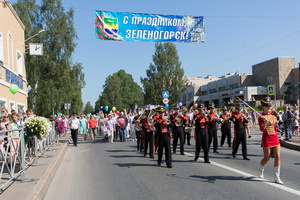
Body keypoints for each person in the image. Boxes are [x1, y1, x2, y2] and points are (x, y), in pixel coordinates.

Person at [258, 97, 283, 184]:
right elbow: (262, 129)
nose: (268, 107)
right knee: (267, 157)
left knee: (278, 156)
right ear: (263, 107)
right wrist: (265, 122)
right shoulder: (261, 117)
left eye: (269, 106)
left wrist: (277, 116)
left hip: (275, 137)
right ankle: (261, 168)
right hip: (267, 138)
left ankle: (277, 177)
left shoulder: (274, 114)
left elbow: (278, 123)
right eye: (266, 106)